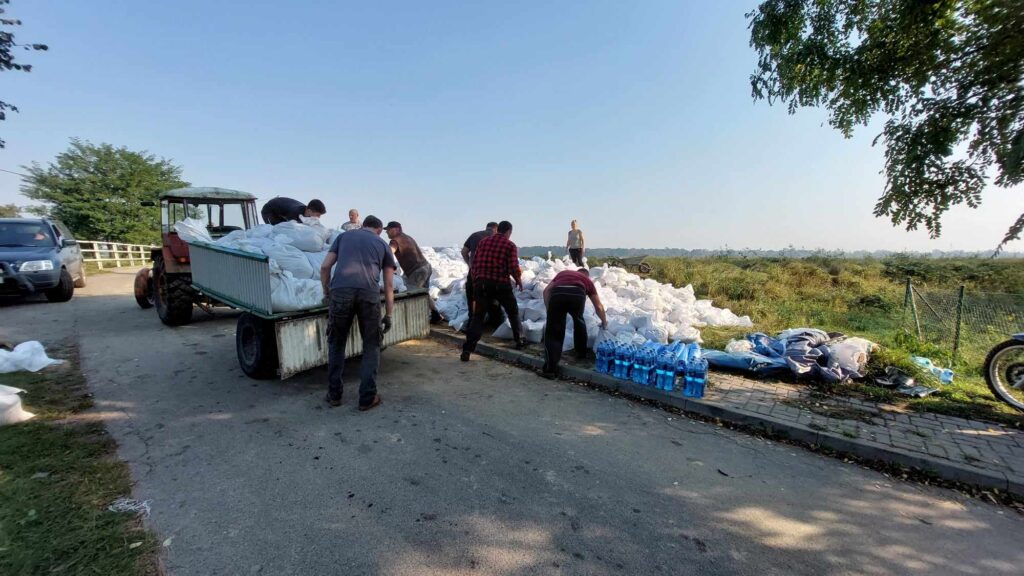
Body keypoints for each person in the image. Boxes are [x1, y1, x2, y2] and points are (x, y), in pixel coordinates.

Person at [319, 215, 395, 411]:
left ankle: (334, 395)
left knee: (336, 343)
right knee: (371, 345)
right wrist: (389, 314)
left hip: (340, 293)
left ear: (364, 225)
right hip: (368, 295)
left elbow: (325, 266)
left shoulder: (344, 237)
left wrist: (327, 292)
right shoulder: (382, 244)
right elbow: (388, 284)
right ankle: (367, 398)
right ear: (378, 229)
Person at [462, 221, 526, 361]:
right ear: (508, 232)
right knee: (512, 312)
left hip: (482, 284)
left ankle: (467, 349)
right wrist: (519, 281)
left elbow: (475, 262)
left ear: (498, 230)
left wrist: (476, 280)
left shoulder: (483, 243)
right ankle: (519, 340)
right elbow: (513, 267)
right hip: (501, 284)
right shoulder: (510, 245)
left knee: (478, 317)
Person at [539, 269, 608, 379]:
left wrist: (550, 311)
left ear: (577, 272)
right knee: (579, 321)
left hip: (558, 294)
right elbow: (598, 306)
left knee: (554, 332)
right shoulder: (587, 281)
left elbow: (546, 291)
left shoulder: (563, 273)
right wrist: (604, 321)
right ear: (586, 275)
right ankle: (581, 354)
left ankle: (550, 370)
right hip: (577, 294)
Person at [384, 221, 442, 324]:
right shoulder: (407, 237)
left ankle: (415, 320)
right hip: (425, 267)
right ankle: (435, 314)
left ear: (396, 229)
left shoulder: (395, 240)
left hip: (417, 271)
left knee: (412, 294)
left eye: (388, 230)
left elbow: (388, 254)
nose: (387, 232)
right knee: (423, 293)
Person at [460, 222, 498, 316]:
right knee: (491, 297)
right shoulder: (498, 238)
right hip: (491, 273)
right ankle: (492, 321)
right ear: (496, 229)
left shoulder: (474, 235)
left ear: (486, 228)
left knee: (472, 296)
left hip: (474, 271)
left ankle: (472, 320)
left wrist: (470, 264)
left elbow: (464, 252)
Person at [261, 197, 327, 225]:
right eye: (318, 215)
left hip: (281, 213)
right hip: (269, 211)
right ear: (309, 211)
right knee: (279, 229)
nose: (318, 217)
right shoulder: (295, 212)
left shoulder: (304, 212)